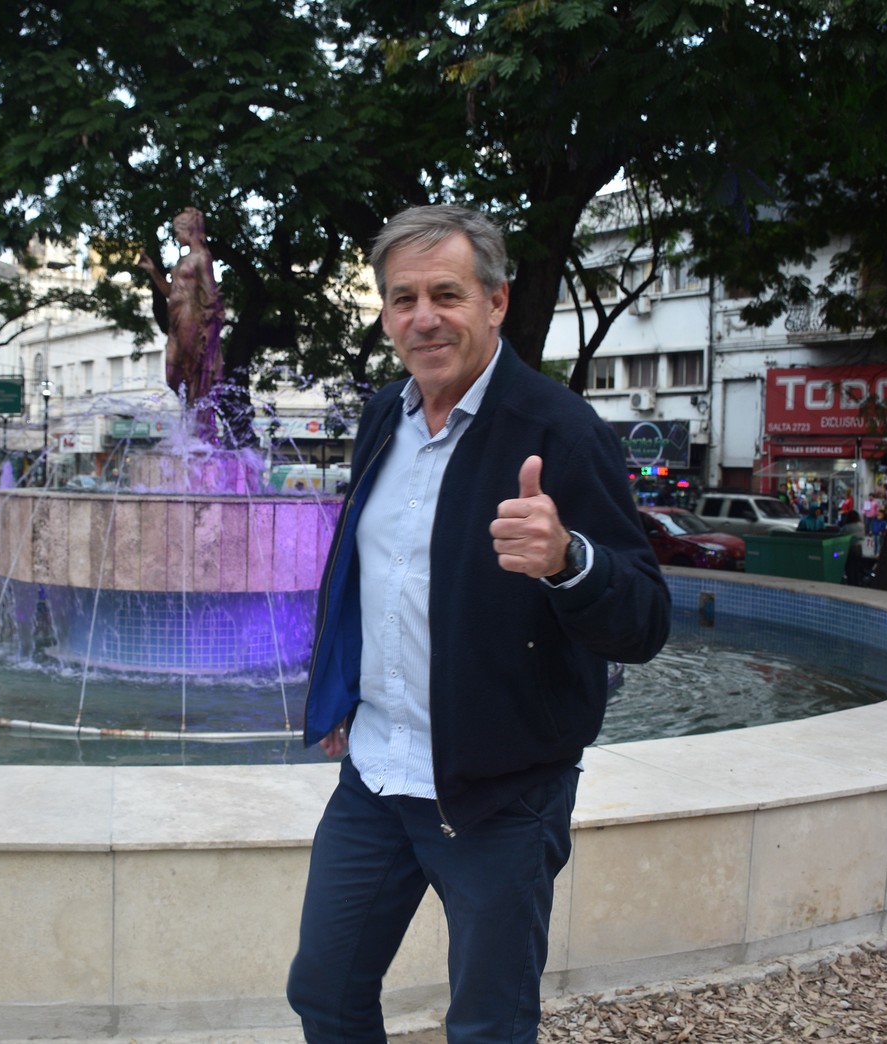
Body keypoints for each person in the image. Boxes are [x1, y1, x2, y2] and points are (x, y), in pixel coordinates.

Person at [286, 205, 671, 1044]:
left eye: (446, 294)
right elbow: (365, 574)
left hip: (500, 793)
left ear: (495, 301)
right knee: (323, 991)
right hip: (376, 777)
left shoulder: (560, 432)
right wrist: (341, 691)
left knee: (489, 1027)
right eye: (402, 299)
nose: (423, 317)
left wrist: (569, 558)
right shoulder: (383, 417)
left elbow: (643, 621)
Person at [137, 206, 225, 442]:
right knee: (172, 372)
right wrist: (154, 272)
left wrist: (210, 327)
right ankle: (192, 419)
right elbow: (170, 291)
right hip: (176, 318)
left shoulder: (202, 257)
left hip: (191, 318)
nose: (176, 236)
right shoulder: (183, 259)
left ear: (190, 229)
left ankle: (201, 428)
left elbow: (211, 292)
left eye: (178, 230)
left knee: (192, 370)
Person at [838, 509, 867, 585]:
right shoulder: (862, 526)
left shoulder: (847, 527)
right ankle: (858, 582)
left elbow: (840, 535)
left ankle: (851, 583)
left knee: (850, 567)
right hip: (859, 548)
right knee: (857, 567)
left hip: (850, 549)